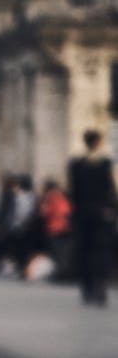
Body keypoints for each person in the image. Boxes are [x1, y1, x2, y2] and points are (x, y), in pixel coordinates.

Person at [68, 129, 117, 306]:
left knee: (93, 252)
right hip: (94, 215)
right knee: (94, 252)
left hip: (90, 215)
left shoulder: (80, 164)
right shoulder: (96, 164)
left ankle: (93, 287)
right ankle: (94, 287)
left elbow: (75, 192)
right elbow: (109, 190)